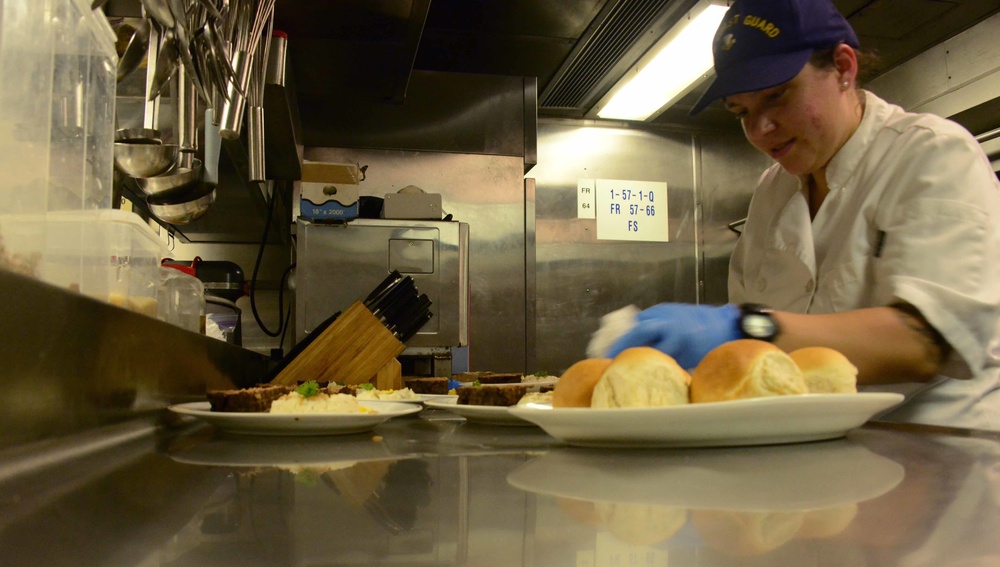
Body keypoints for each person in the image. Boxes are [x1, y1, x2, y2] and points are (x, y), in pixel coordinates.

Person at [597, 0, 1000, 430]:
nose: (761, 129)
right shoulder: (772, 192)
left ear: (844, 67)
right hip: (814, 446)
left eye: (777, 95)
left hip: (939, 445)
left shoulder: (931, 154)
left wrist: (745, 328)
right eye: (742, 112)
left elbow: (924, 343)